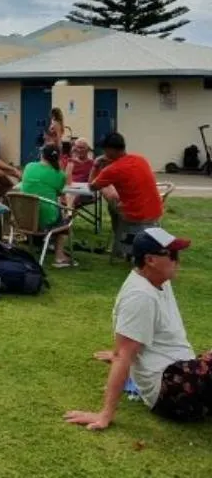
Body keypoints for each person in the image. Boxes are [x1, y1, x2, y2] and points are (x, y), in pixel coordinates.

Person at [64, 227, 212, 428]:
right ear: (150, 260)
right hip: (169, 390)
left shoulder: (158, 280)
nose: (178, 261)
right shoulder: (140, 297)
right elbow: (123, 356)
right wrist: (105, 414)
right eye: (173, 255)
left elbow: (132, 344)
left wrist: (129, 352)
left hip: (183, 372)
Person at [90, 132, 162, 256]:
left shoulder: (112, 170)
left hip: (136, 215)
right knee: (114, 204)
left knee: (110, 198)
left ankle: (120, 245)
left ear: (110, 150)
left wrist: (96, 165)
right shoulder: (140, 159)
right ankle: (120, 243)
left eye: (104, 149)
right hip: (156, 210)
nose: (103, 152)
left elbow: (92, 186)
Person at [20, 144, 73, 267]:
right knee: (66, 217)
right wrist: (68, 171)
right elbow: (62, 192)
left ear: (42, 154)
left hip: (23, 219)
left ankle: (46, 244)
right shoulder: (59, 174)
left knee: (52, 210)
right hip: (45, 221)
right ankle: (59, 256)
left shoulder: (29, 167)